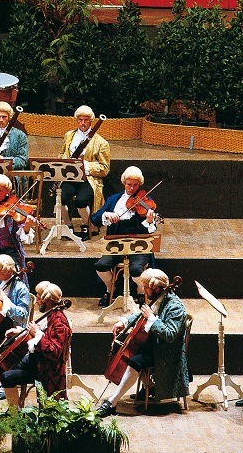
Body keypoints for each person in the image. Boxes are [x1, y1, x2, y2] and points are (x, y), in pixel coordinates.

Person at [96, 268, 189, 418]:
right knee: (134, 348)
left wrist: (152, 319)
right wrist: (125, 321)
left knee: (135, 360)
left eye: (146, 287)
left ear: (156, 288)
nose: (144, 290)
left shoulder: (175, 307)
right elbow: (142, 312)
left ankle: (112, 402)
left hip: (167, 352)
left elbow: (170, 335)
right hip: (156, 344)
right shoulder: (159, 298)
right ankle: (150, 386)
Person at [91, 166, 159, 306]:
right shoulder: (113, 200)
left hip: (138, 247)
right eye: (129, 184)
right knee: (101, 265)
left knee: (136, 269)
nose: (132, 188)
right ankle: (111, 288)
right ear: (124, 183)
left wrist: (150, 221)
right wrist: (106, 215)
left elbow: (151, 231)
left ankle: (141, 291)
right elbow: (95, 218)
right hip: (116, 245)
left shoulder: (145, 201)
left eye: (135, 185)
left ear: (139, 184)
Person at [0, 281, 72, 406]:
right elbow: (43, 333)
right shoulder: (51, 315)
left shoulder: (60, 323)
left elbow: (54, 352)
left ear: (47, 301)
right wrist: (21, 332)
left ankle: (14, 412)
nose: (36, 302)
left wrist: (37, 333)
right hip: (36, 359)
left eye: (38, 299)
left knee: (7, 377)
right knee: (6, 364)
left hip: (46, 368)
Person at [58, 106, 111, 238]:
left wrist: (85, 166)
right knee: (61, 198)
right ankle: (68, 226)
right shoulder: (68, 136)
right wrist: (67, 163)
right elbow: (61, 155)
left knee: (81, 201)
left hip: (89, 179)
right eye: (80, 120)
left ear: (91, 121)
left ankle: (88, 225)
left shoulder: (101, 142)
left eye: (86, 120)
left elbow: (105, 168)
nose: (83, 123)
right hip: (71, 177)